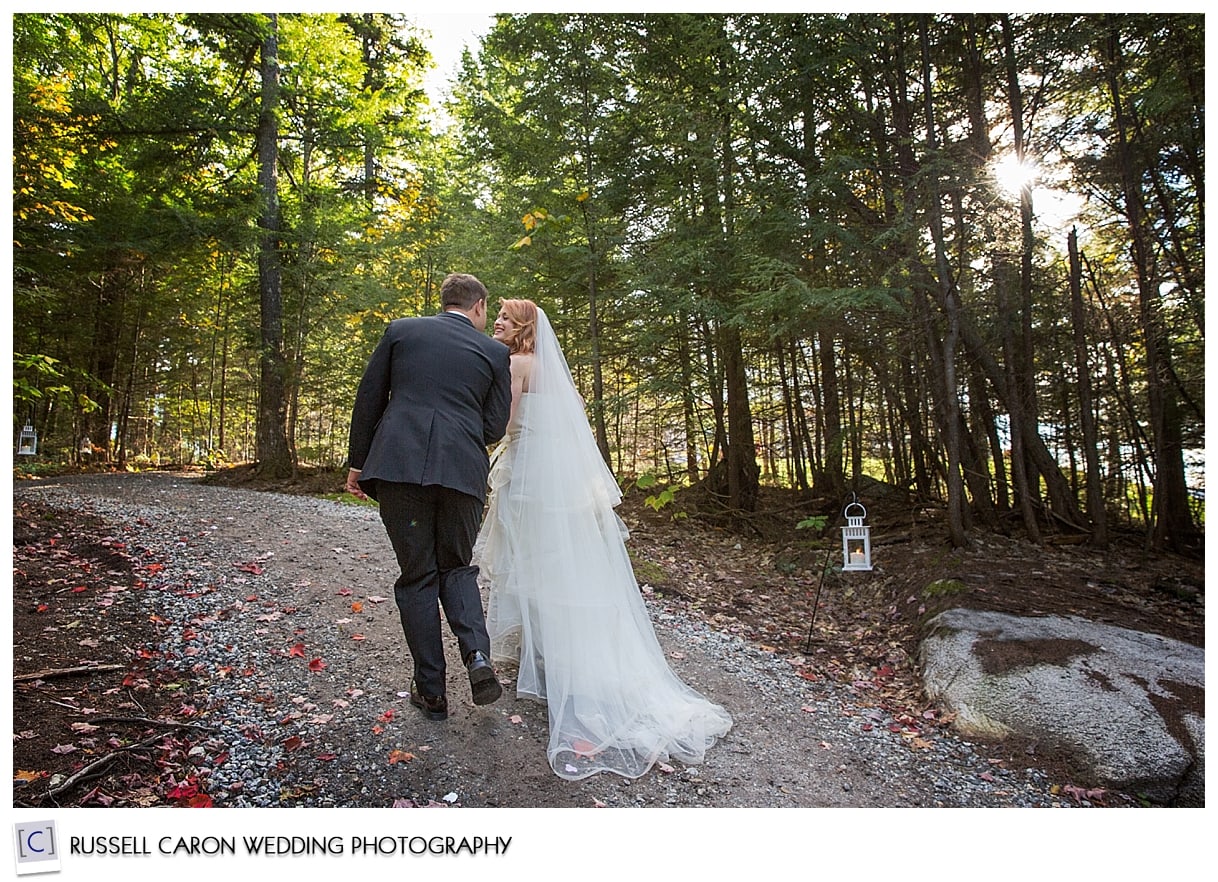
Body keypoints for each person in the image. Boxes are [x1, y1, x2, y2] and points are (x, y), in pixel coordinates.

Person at [474, 299, 732, 780]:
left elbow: (503, 425)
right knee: (559, 564)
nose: (500, 323)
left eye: (507, 318)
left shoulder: (515, 364)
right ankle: (559, 655)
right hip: (556, 481)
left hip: (529, 477)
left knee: (532, 562)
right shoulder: (549, 369)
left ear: (524, 328)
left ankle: (550, 660)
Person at [346, 273, 512, 722]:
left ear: (445, 302)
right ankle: (477, 656)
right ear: (478, 306)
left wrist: (358, 462)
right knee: (456, 568)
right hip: (462, 474)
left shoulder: (402, 331)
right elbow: (494, 427)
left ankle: (432, 690)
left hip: (399, 467)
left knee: (417, 575)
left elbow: (370, 397)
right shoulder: (496, 353)